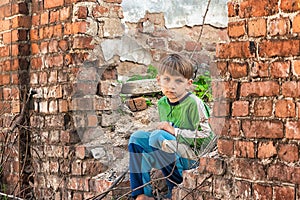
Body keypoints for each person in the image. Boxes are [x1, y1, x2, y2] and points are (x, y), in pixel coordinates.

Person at [128, 54, 215, 200]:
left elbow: (208, 138)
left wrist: (175, 131)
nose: (171, 86)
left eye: (178, 81)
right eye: (166, 79)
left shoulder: (193, 103)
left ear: (188, 83)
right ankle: (142, 195)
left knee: (158, 137)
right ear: (158, 80)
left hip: (193, 159)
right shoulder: (162, 103)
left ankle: (175, 190)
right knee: (137, 138)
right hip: (172, 154)